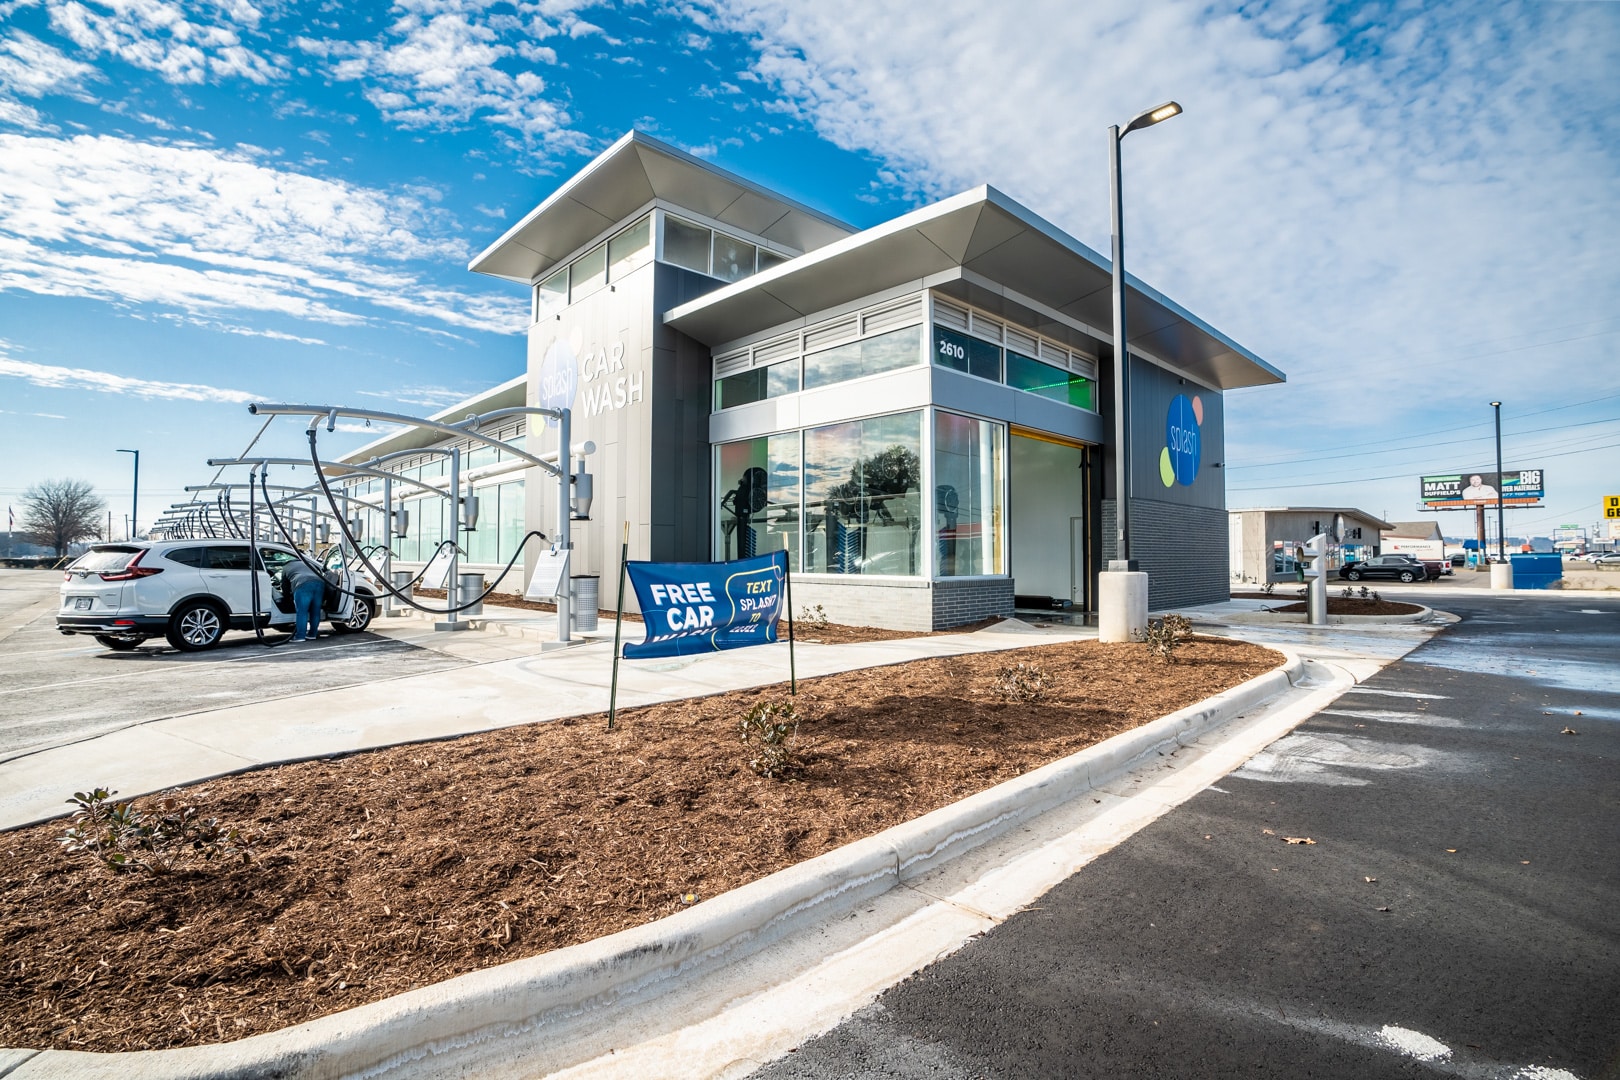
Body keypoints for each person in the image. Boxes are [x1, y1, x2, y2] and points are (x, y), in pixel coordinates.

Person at [281, 556, 326, 642]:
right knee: (315, 611)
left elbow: (284, 586)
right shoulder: (308, 562)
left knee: (302, 612)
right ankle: (312, 634)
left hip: (302, 585)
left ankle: (300, 636)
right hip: (320, 583)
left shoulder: (286, 567)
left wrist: (287, 597)